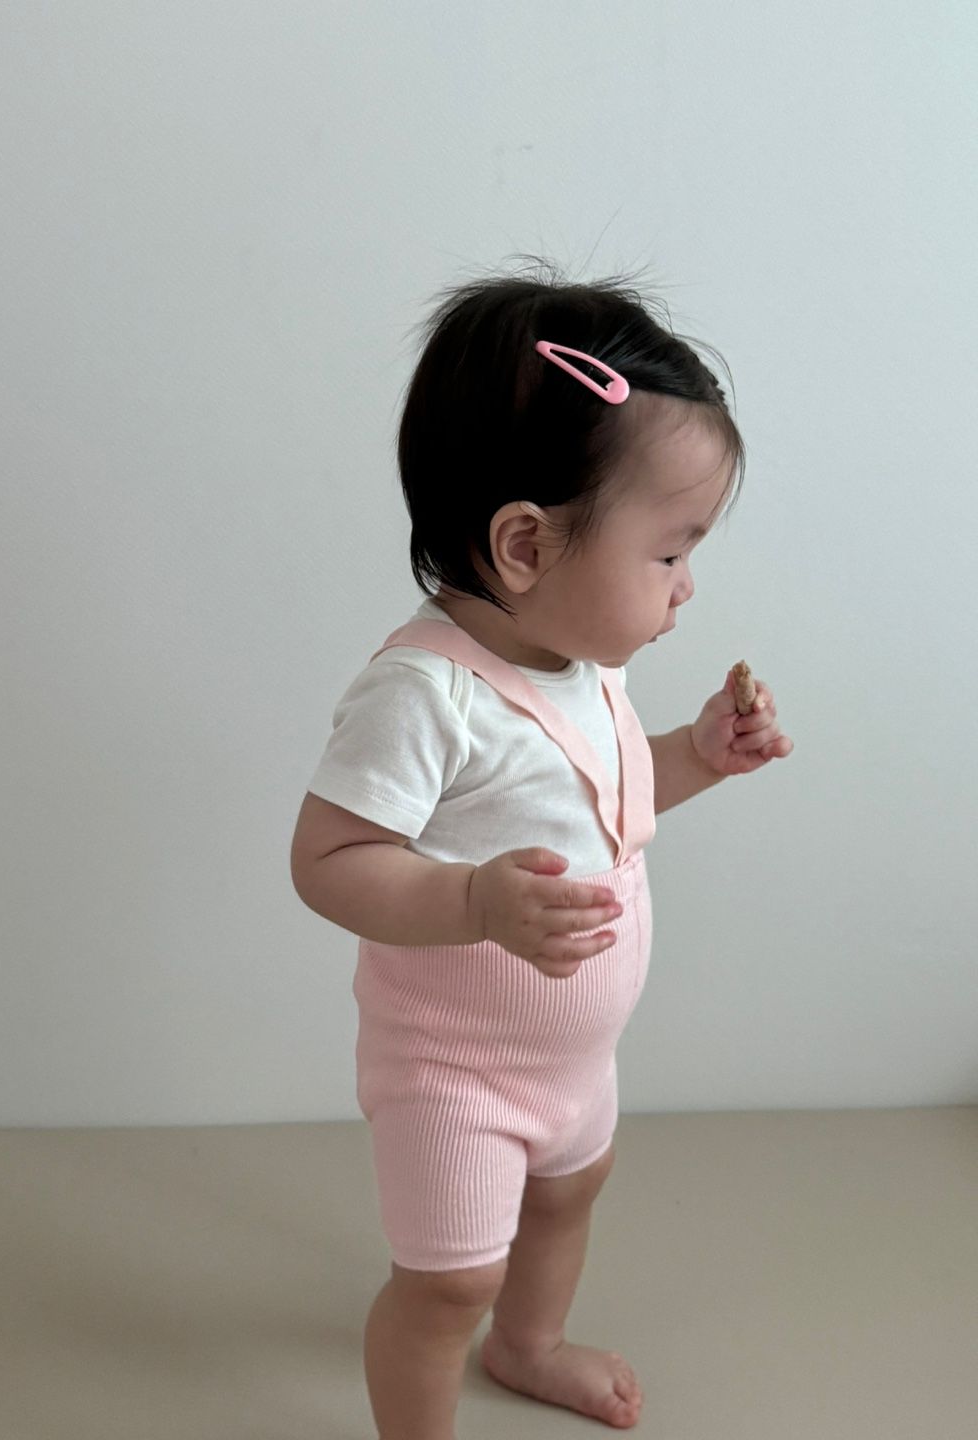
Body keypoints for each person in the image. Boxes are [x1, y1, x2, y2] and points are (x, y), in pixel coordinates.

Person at [290, 264, 793, 1437]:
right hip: (457, 1074)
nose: (687, 588)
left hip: (575, 1061)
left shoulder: (581, 662)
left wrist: (695, 755)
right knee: (446, 1285)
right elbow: (327, 859)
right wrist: (473, 902)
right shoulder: (425, 694)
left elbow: (597, 800)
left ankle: (529, 1345)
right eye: (668, 553)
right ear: (524, 543)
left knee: (569, 1199)